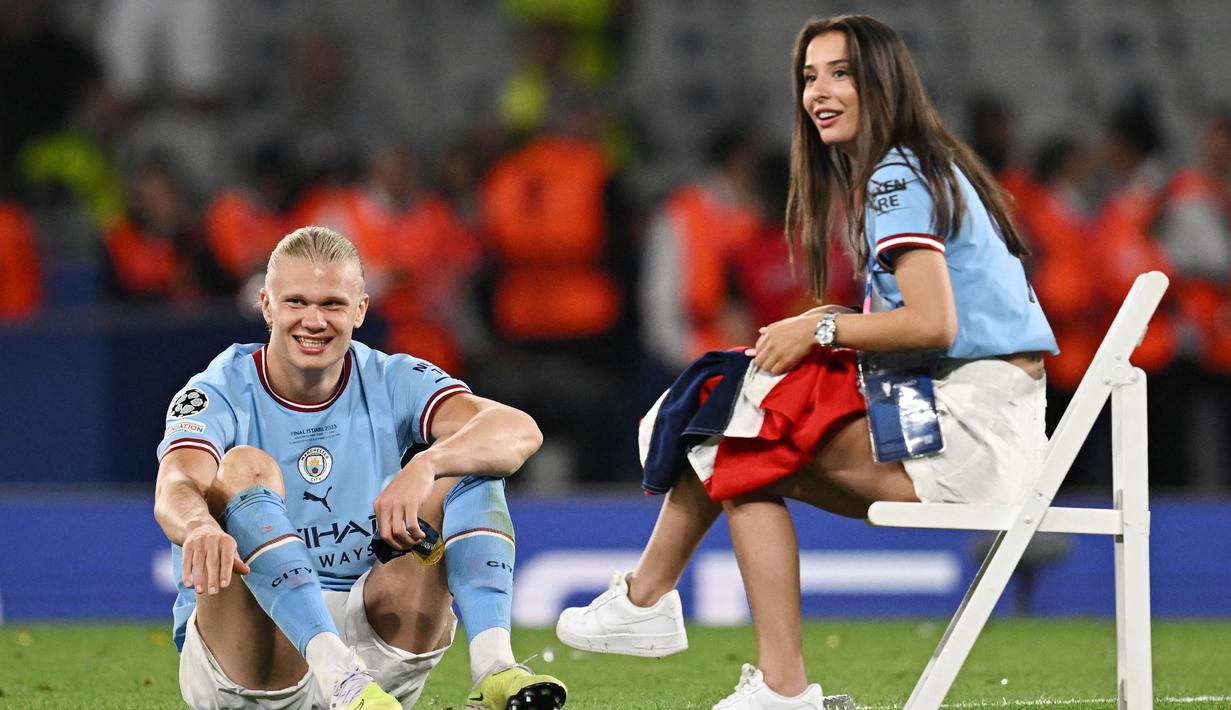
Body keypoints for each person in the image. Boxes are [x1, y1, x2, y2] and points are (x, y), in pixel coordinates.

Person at [556, 14, 1056, 710]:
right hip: (972, 417)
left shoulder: (894, 177)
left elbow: (932, 323)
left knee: (732, 405)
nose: (818, 92)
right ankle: (745, 665)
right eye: (808, 76)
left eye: (840, 73)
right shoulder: (913, 165)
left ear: (880, 82)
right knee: (735, 441)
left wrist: (820, 327)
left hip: (969, 428)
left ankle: (661, 610)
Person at [153, 226, 566, 709]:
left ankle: (494, 667)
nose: (313, 321)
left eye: (332, 304)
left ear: (360, 310)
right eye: (296, 302)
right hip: (258, 659)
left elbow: (518, 430)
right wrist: (199, 525)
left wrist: (429, 463)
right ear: (266, 305)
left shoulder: (391, 378)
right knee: (245, 466)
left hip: (373, 654)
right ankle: (337, 674)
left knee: (470, 460)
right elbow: (177, 481)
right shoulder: (219, 389)